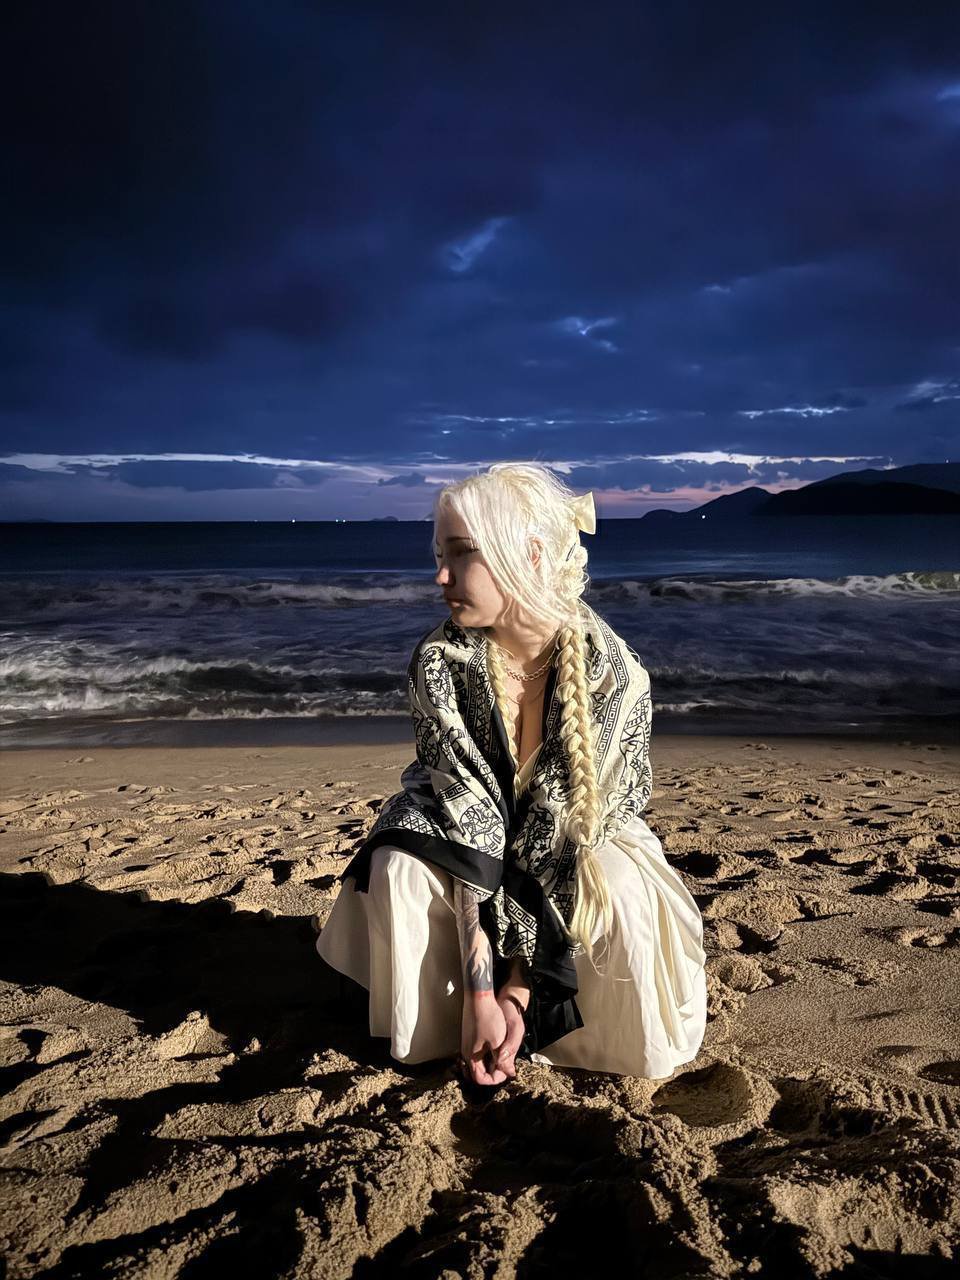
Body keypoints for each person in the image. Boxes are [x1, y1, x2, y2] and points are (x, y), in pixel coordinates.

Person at [316, 462, 707, 1097]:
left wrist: (516, 994)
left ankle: (556, 1030)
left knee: (611, 885)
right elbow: (466, 822)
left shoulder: (614, 674)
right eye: (439, 555)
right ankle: (450, 1025)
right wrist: (479, 993)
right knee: (400, 866)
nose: (441, 577)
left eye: (462, 553)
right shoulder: (441, 660)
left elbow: (560, 838)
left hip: (576, 840)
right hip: (461, 836)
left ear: (528, 555)